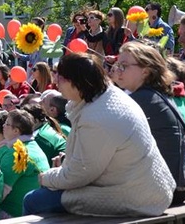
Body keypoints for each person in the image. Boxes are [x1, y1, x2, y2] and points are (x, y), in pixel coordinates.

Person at [23, 52, 175, 217]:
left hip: (134, 196)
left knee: (32, 200)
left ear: (76, 81)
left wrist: (46, 177)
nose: (55, 81)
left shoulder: (97, 117)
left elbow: (79, 174)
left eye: (60, 77)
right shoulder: (106, 97)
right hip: (145, 188)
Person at [114, 40, 185, 205]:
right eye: (117, 64)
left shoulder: (142, 99)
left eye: (124, 66)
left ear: (145, 71)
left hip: (163, 190)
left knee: (66, 197)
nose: (117, 70)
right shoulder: (153, 95)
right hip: (175, 187)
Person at [0, 110, 49, 218]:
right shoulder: (33, 146)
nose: (3, 126)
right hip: (37, 212)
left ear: (16, 131)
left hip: (16, 215)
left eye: (7, 124)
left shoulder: (17, 152)